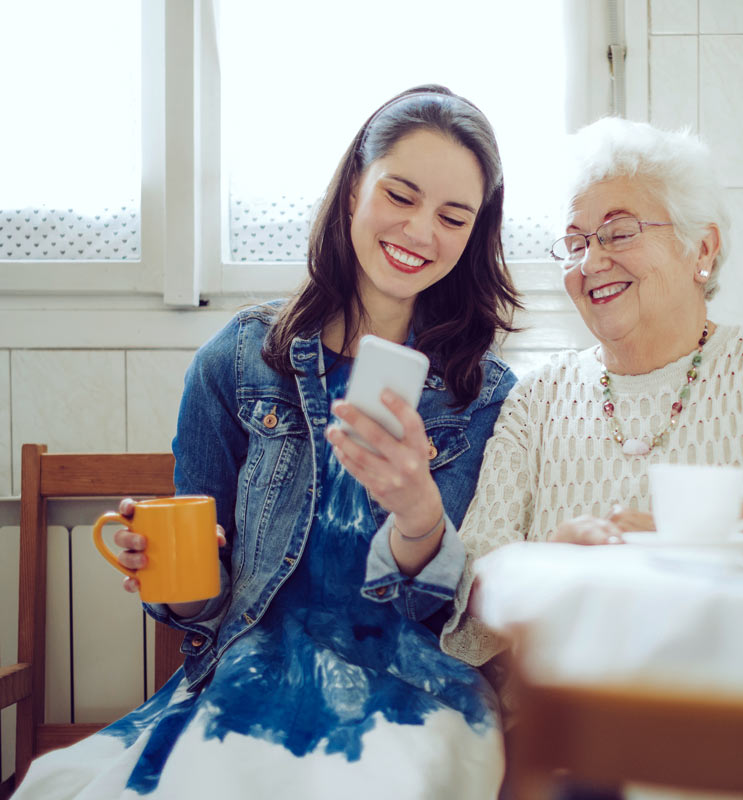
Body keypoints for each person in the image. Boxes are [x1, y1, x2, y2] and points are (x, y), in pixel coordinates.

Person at [15, 85, 521, 800]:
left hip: (415, 693)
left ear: (475, 233)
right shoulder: (238, 360)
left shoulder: (488, 395)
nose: (420, 231)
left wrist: (418, 514)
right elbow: (204, 600)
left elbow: (452, 621)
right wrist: (165, 572)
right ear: (353, 190)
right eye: (400, 195)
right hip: (248, 680)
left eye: (452, 216)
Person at [440, 117, 743, 667]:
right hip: (570, 719)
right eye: (574, 243)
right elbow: (474, 584)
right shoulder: (536, 401)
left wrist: (699, 532)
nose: (590, 262)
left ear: (701, 249)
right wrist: (548, 562)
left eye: (619, 233)